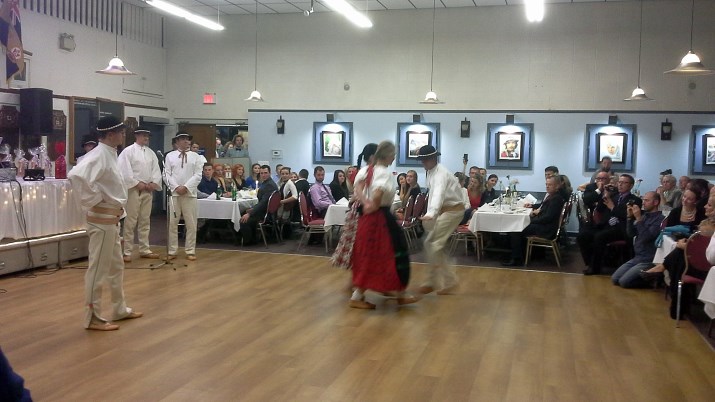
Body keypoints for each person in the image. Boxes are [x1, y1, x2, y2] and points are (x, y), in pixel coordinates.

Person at [67, 115, 143, 331]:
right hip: (102, 221)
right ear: (110, 134)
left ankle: (119, 309)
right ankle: (92, 316)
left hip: (112, 220)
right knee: (98, 270)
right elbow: (76, 176)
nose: (123, 136)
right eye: (121, 132)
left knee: (116, 266)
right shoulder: (99, 154)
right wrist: (95, 199)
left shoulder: (110, 153)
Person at [349, 141, 419, 309]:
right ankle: (396, 293)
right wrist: (371, 204)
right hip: (379, 219)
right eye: (393, 155)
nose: (394, 158)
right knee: (391, 254)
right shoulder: (383, 173)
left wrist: (365, 202)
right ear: (387, 155)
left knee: (370, 256)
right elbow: (377, 195)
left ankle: (392, 293)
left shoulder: (366, 170)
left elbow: (357, 188)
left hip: (368, 219)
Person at [417, 145, 465, 295]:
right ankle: (445, 281)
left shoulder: (440, 174)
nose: (423, 162)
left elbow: (438, 194)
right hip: (446, 211)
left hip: (453, 211)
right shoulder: (431, 172)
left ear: (433, 158)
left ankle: (435, 281)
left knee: (434, 244)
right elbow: (433, 195)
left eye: (426, 159)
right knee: (432, 244)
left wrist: (432, 213)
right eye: (422, 160)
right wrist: (432, 213)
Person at [578, 174, 642, 275]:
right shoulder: (613, 196)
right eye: (619, 182)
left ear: (631, 186)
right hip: (606, 225)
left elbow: (628, 215)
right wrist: (605, 195)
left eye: (624, 183)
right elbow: (599, 209)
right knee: (583, 235)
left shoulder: (635, 199)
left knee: (600, 237)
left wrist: (612, 207)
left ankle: (595, 268)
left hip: (622, 229)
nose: (620, 185)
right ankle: (590, 262)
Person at [117, 126, 162, 263]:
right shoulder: (128, 151)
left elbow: (156, 170)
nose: (146, 137)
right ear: (136, 136)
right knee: (130, 221)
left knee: (145, 220)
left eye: (147, 135)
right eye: (143, 135)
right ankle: (127, 251)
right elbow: (124, 171)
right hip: (133, 190)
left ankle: (144, 249)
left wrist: (153, 183)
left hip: (147, 190)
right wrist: (136, 183)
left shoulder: (151, 153)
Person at [503, 176, 565, 266]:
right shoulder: (552, 196)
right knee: (518, 226)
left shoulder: (556, 199)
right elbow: (543, 209)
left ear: (557, 186)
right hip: (545, 225)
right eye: (546, 184)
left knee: (515, 229)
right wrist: (532, 210)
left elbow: (548, 217)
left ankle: (516, 258)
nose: (547, 186)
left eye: (550, 185)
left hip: (547, 229)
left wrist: (530, 221)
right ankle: (521, 254)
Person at [609, 191, 663, 288]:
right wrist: (629, 217)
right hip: (637, 257)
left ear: (655, 202)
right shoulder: (645, 216)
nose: (643, 203)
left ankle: (654, 280)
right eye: (643, 200)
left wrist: (638, 218)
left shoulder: (660, 219)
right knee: (615, 279)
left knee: (623, 282)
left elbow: (646, 237)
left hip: (648, 259)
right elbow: (630, 234)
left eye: (647, 200)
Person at [164, 132, 203, 261]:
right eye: (183, 139)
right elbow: (166, 174)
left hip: (190, 194)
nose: (187, 141)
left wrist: (186, 187)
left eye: (188, 139)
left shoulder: (196, 156)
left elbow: (198, 175)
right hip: (174, 194)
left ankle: (190, 250)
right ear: (177, 142)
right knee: (173, 223)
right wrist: (176, 187)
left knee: (191, 223)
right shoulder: (170, 156)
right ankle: (172, 250)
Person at [239, 165, 279, 245]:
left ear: (270, 173)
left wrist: (250, 213)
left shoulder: (269, 185)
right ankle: (252, 238)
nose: (263, 175)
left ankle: (248, 242)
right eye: (261, 173)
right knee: (244, 212)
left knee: (243, 219)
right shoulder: (267, 183)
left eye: (265, 173)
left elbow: (263, 203)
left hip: (265, 214)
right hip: (266, 211)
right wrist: (252, 209)